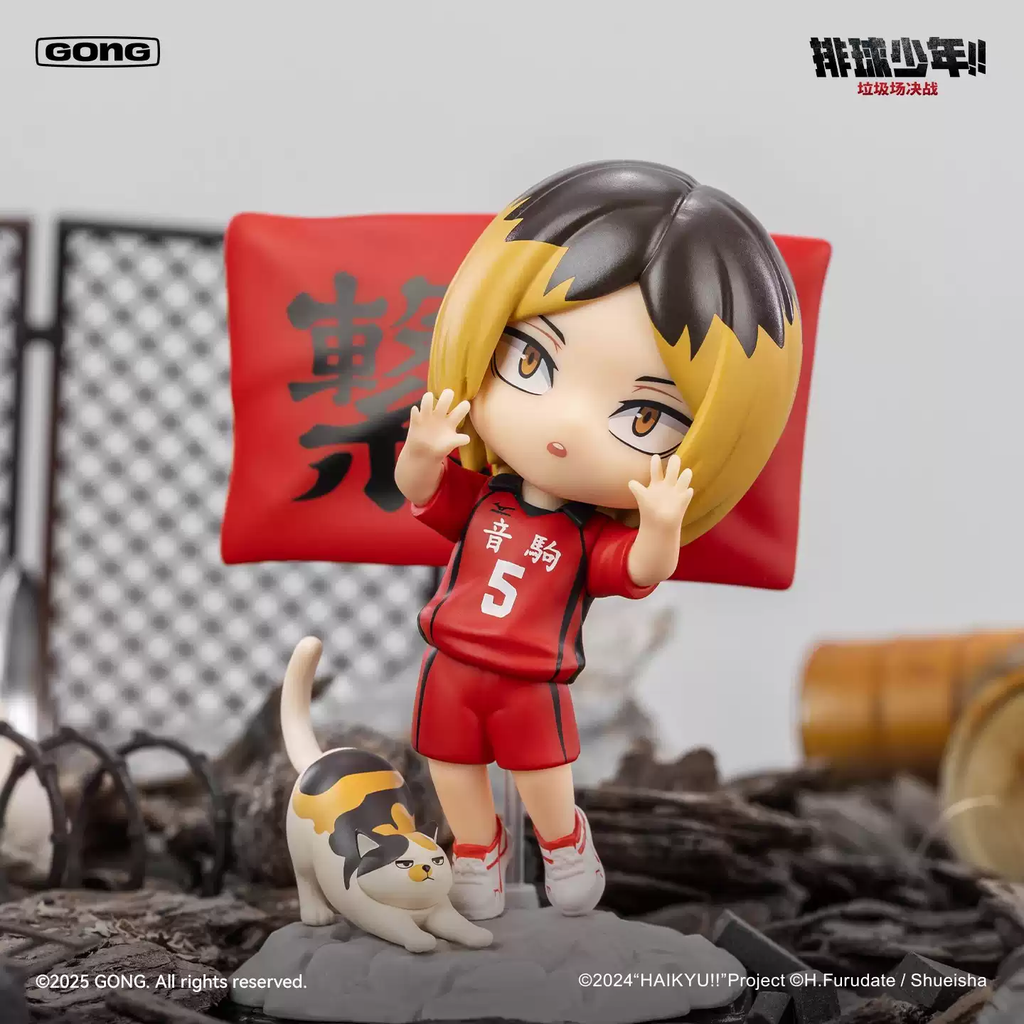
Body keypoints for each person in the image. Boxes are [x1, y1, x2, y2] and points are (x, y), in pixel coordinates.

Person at [394, 160, 801, 920]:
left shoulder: (586, 538)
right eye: (530, 361)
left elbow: (640, 570)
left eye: (643, 417)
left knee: (542, 773)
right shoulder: (485, 502)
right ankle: (476, 850)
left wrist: (662, 525)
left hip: (531, 680)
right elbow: (424, 495)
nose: (566, 426)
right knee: (449, 763)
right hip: (450, 663)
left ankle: (563, 841)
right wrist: (422, 450)